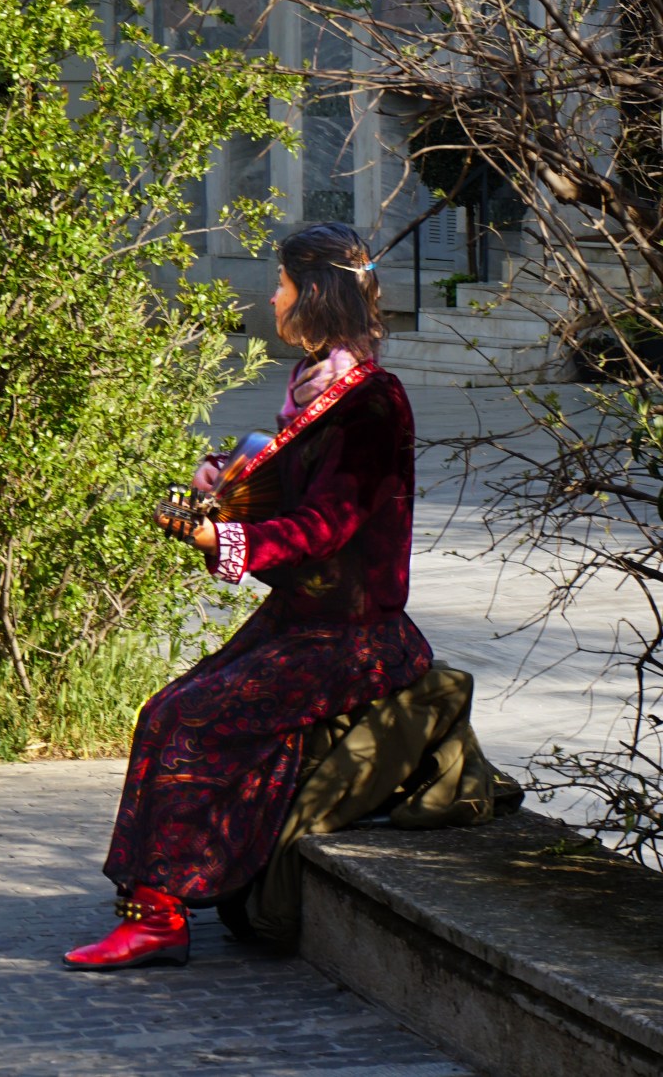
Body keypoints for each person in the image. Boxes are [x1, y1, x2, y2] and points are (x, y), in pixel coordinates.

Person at [62, 221, 434, 971]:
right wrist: (223, 480)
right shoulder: (318, 385)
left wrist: (227, 539)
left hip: (355, 638)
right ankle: (150, 906)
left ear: (316, 294)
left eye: (284, 284)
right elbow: (283, 479)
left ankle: (160, 918)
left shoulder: (372, 401)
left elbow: (329, 523)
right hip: (301, 619)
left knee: (187, 718)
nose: (274, 297)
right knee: (164, 709)